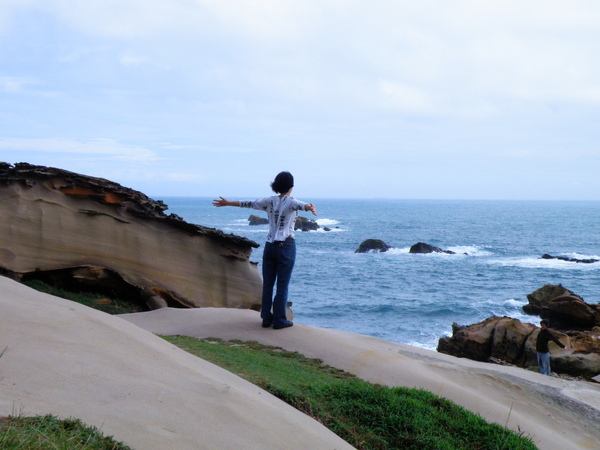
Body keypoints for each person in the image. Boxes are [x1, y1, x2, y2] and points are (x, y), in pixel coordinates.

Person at [213, 171, 317, 330]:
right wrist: (310, 207)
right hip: (286, 246)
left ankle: (266, 318)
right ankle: (280, 320)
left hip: (270, 247)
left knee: (268, 284)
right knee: (282, 285)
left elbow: (248, 203)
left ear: (276, 185)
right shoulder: (291, 202)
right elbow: (303, 206)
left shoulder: (269, 201)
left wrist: (228, 203)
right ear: (291, 186)